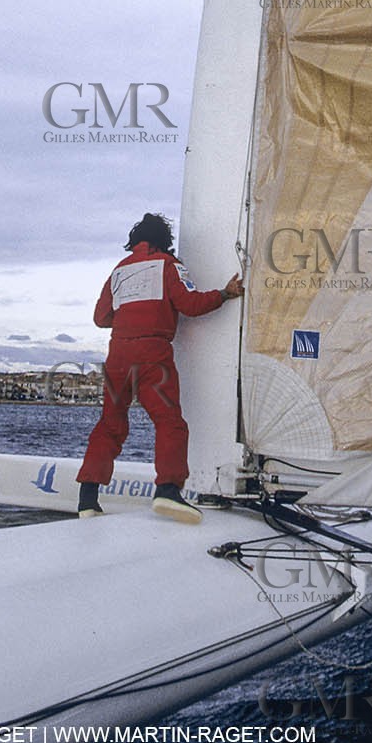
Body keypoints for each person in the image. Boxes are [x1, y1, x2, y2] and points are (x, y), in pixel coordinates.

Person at [76, 212, 243, 524]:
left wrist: (129, 318)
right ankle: (167, 489)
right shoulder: (168, 265)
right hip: (153, 354)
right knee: (170, 423)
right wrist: (224, 293)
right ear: (164, 240)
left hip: (118, 355)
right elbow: (191, 305)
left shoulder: (119, 271)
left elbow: (100, 318)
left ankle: (88, 497)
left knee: (110, 425)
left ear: (136, 239)